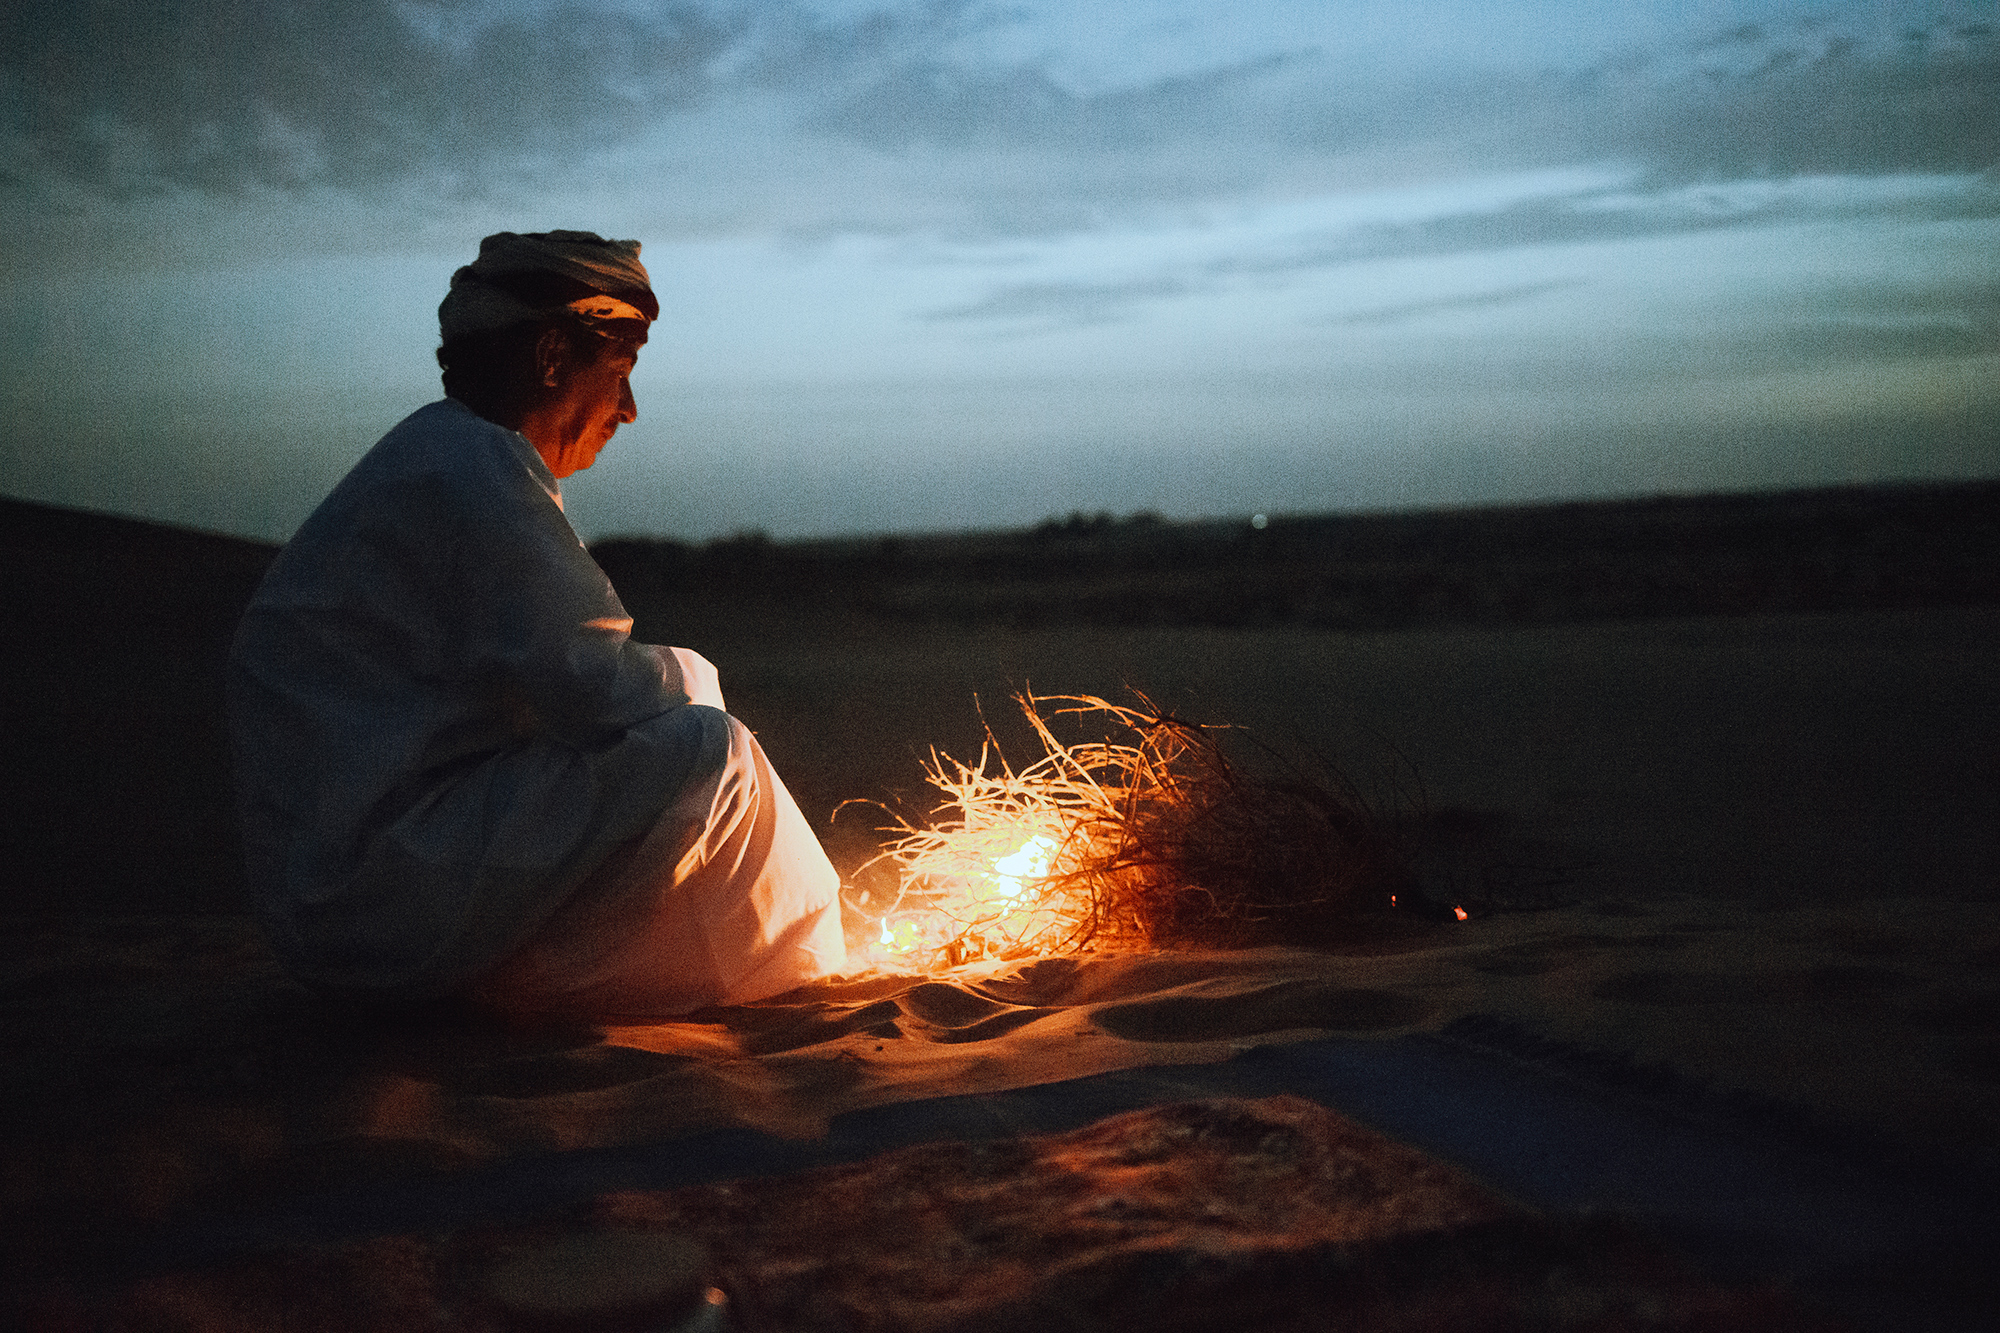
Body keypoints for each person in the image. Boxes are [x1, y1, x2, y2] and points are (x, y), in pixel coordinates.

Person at [228, 230, 846, 1017]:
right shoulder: (476, 465)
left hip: (344, 901)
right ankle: (808, 970)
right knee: (710, 747)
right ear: (553, 358)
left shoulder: (431, 458)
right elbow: (595, 685)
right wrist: (698, 678)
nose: (627, 408)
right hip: (378, 897)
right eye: (619, 371)